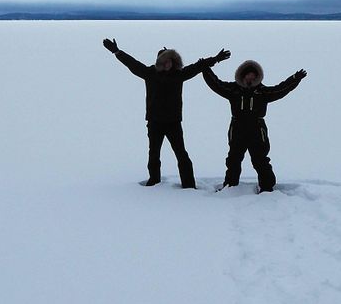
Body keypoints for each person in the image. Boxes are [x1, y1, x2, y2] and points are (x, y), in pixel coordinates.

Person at [103, 38, 230, 188]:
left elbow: (197, 66)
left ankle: (188, 184)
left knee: (181, 154)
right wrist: (117, 52)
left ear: (173, 62)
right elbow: (133, 64)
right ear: (159, 61)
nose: (167, 64)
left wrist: (215, 59)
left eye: (170, 61)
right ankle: (154, 181)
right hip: (154, 121)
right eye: (164, 61)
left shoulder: (179, 74)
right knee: (154, 154)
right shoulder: (149, 73)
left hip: (173, 122)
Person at [202, 60, 306, 193]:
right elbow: (216, 84)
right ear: (243, 76)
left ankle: (267, 187)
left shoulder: (262, 92)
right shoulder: (233, 90)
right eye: (248, 75)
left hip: (257, 129)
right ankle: (230, 186)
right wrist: (205, 69)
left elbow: (280, 89)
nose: (250, 78)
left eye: (253, 76)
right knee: (233, 158)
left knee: (260, 159)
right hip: (237, 128)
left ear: (257, 77)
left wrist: (294, 79)